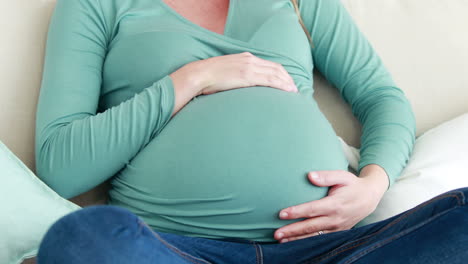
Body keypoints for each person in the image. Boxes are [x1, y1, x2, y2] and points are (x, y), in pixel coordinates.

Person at [35, 0, 467, 263]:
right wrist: (191, 80)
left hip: (328, 250)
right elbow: (60, 164)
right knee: (81, 239)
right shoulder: (94, 3)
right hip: (175, 250)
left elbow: (381, 97)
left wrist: (372, 186)